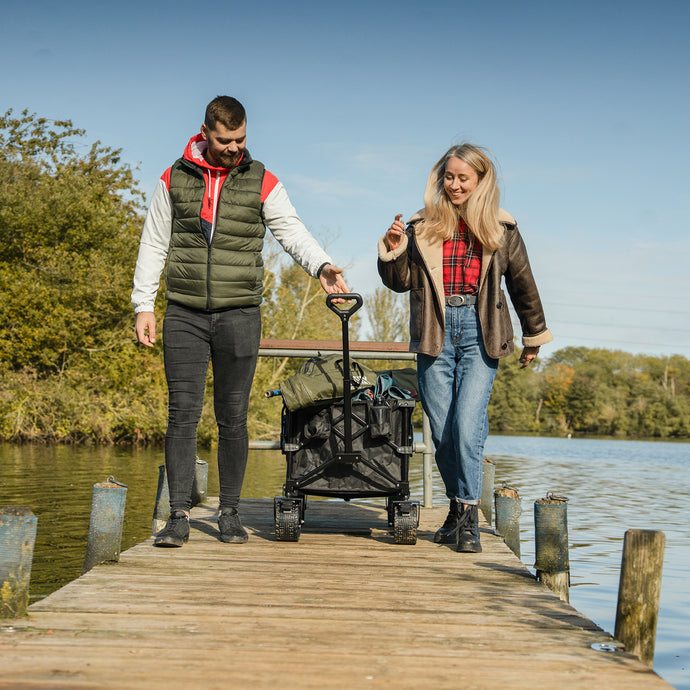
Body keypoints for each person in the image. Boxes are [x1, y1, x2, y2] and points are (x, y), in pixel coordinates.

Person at [132, 96, 349, 547]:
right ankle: (178, 516)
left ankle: (229, 512)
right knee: (181, 415)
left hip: (239, 313)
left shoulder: (262, 180)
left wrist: (322, 266)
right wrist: (144, 305)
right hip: (185, 313)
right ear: (205, 133)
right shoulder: (173, 178)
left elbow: (291, 230)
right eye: (224, 140)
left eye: (241, 139)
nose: (234, 148)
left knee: (232, 416)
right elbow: (153, 243)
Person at [377, 144, 552, 553]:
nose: (454, 185)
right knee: (441, 431)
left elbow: (523, 283)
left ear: (480, 181)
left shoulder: (502, 228)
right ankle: (459, 507)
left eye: (463, 178)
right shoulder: (422, 225)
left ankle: (468, 516)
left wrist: (534, 336)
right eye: (449, 177)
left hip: (480, 331)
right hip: (435, 334)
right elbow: (399, 281)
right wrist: (394, 248)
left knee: (467, 425)